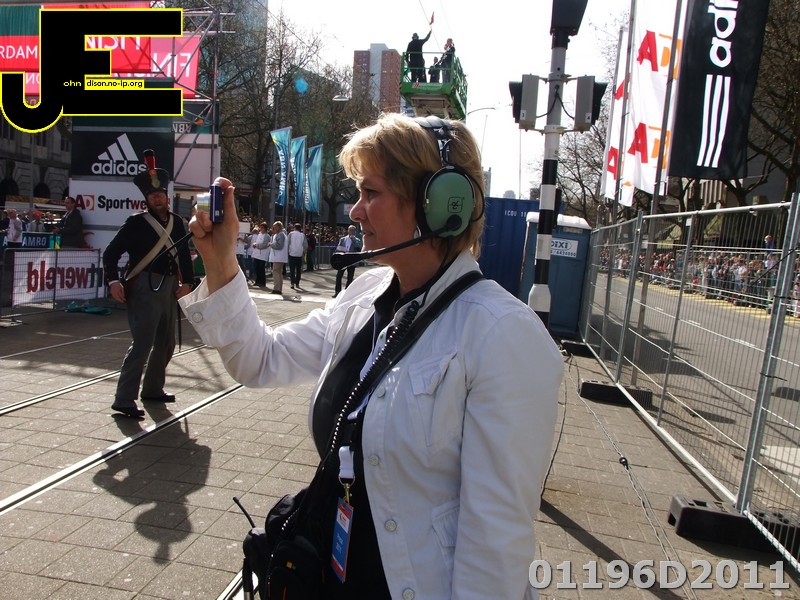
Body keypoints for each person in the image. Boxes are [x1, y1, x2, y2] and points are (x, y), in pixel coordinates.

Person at [180, 112, 563, 599]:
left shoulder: (502, 334)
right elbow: (260, 359)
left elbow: (495, 549)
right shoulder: (364, 297)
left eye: (370, 192)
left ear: (439, 203)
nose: (355, 211)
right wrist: (220, 261)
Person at [102, 161, 194, 419]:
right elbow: (111, 254)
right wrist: (113, 281)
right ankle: (123, 399)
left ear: (166, 196)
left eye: (160, 194)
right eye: (152, 195)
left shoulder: (177, 223)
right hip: (144, 285)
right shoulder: (136, 223)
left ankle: (153, 389)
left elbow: (184, 255)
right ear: (146, 199)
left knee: (166, 343)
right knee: (142, 344)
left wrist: (188, 282)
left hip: (169, 286)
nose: (157, 198)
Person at [334, 224, 362, 296]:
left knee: (350, 277)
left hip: (351, 261)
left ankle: (347, 293)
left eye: (353, 230)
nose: (351, 231)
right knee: (339, 276)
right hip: (343, 260)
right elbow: (338, 248)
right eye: (350, 230)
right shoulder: (343, 239)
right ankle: (337, 292)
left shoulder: (357, 240)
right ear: (348, 231)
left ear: (355, 231)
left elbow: (359, 249)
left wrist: (353, 241)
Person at [268, 220, 288, 294]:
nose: (274, 228)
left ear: (279, 227)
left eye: (275, 227)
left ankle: (276, 288)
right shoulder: (282, 234)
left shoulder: (280, 234)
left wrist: (271, 244)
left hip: (278, 256)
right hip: (280, 256)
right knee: (279, 272)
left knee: (276, 271)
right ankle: (279, 288)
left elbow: (279, 245)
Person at [287, 221, 307, 289]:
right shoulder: (302, 235)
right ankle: (297, 283)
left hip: (292, 254)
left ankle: (292, 283)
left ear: (294, 228)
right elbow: (305, 245)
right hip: (299, 254)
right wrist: (304, 251)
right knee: (298, 270)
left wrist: (288, 251)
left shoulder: (291, 234)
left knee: (292, 270)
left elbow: (288, 243)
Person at [250, 222, 270, 287]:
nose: (261, 229)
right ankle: (257, 281)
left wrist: (257, 245)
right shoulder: (259, 234)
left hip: (262, 255)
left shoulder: (267, 236)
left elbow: (265, 245)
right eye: (260, 227)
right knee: (257, 268)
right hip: (257, 254)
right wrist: (254, 244)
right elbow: (257, 242)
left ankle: (262, 282)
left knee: (261, 269)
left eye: (262, 228)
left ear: (265, 228)